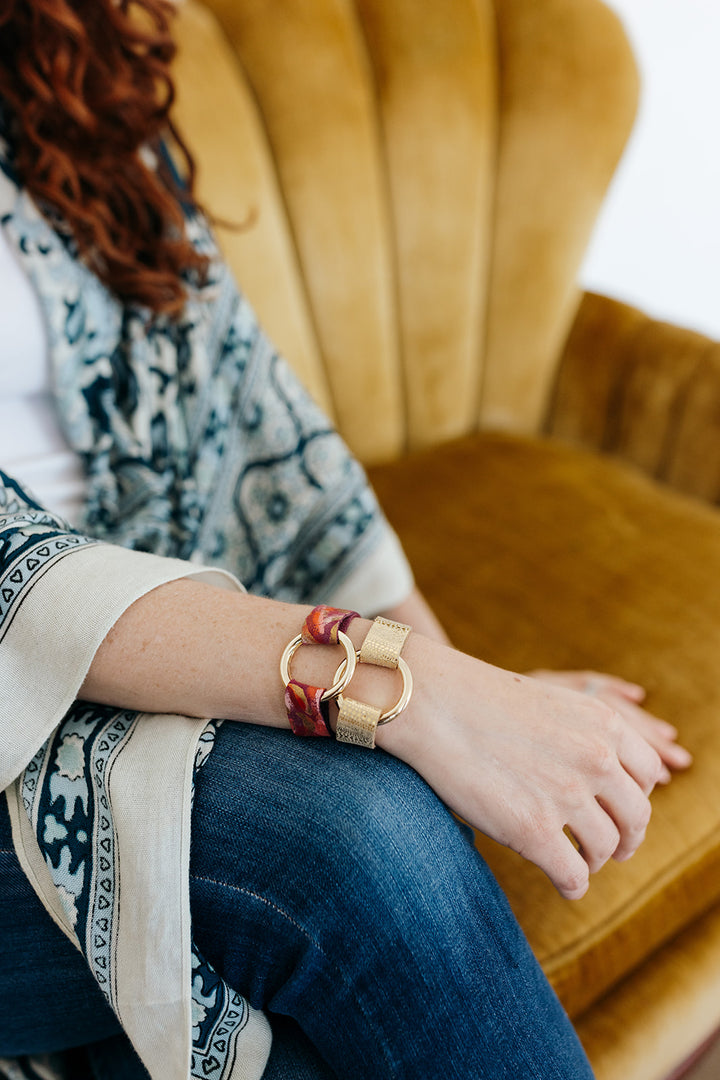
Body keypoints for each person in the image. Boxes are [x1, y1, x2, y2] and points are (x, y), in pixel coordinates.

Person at [0, 1, 692, 1078]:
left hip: (134, 695)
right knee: (345, 833)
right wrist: (396, 689)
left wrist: (471, 701)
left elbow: (254, 417)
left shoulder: (59, 60)